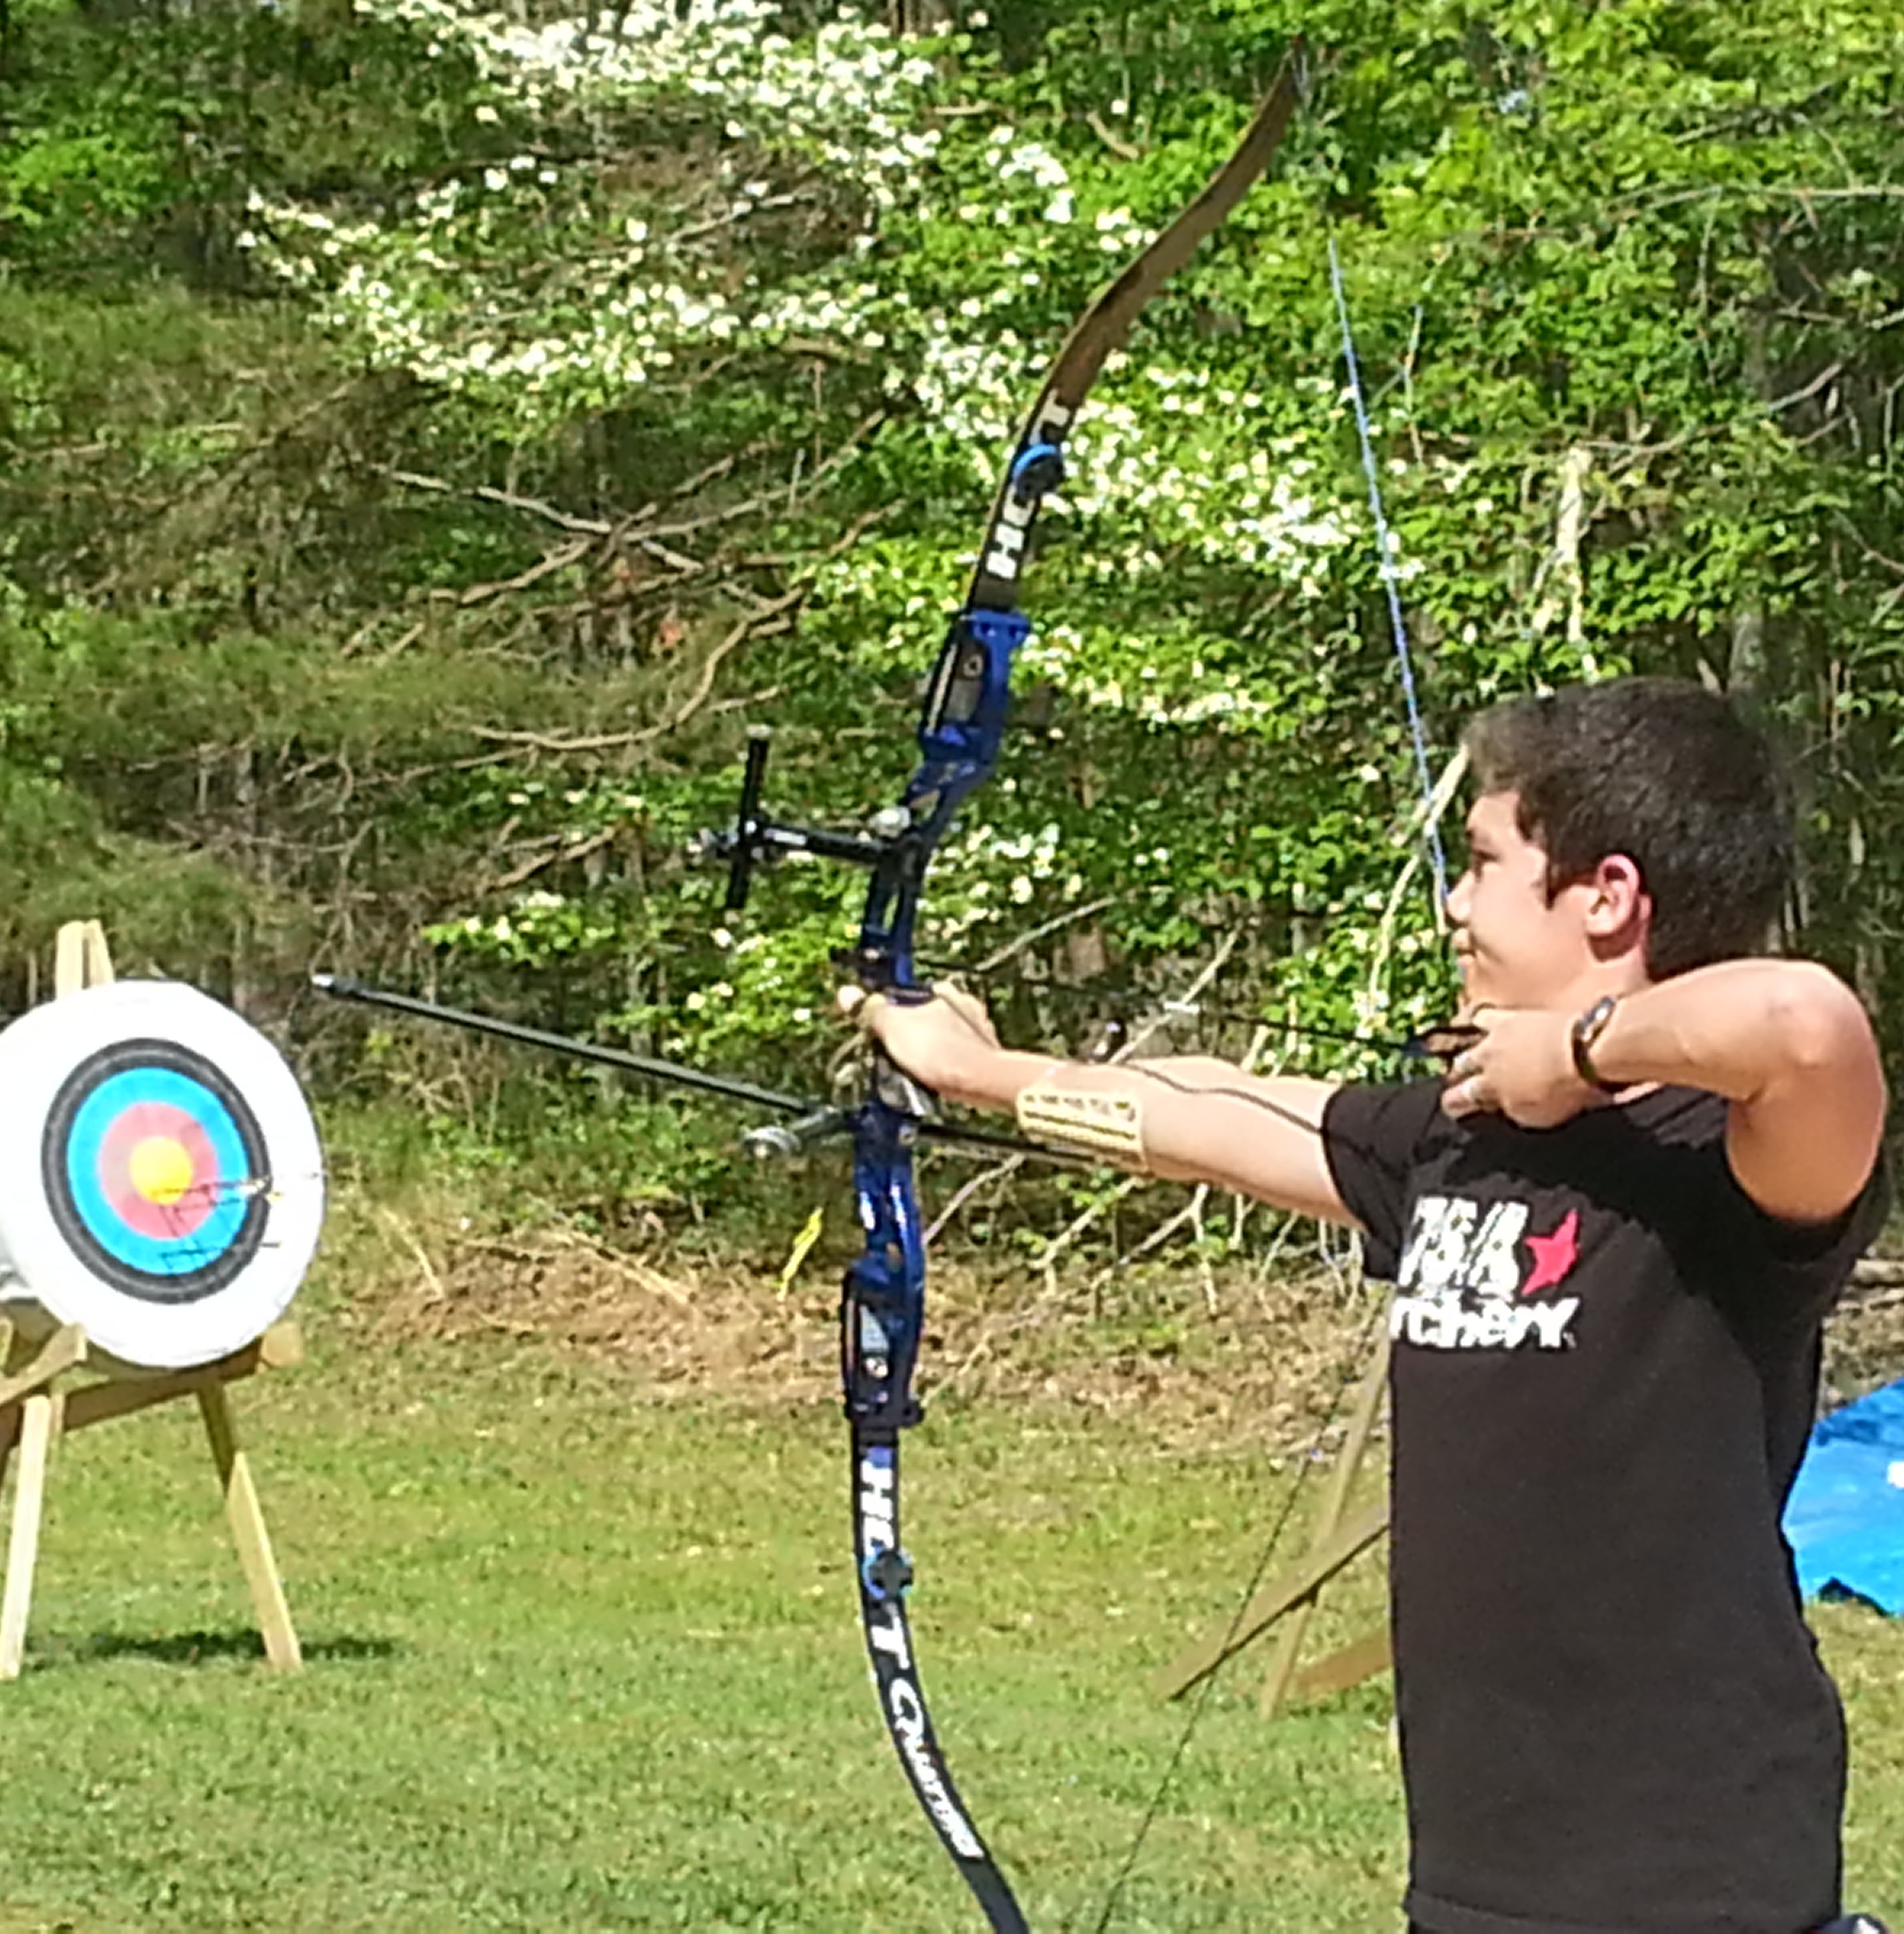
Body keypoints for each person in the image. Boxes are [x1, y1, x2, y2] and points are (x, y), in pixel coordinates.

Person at [845, 677, 1892, 1934]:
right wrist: (977, 1071)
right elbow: (1197, 1113)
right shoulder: (1451, 1134)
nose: (1453, 903)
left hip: (1696, 1879)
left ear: (1606, 895)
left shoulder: (1725, 1159)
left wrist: (1570, 1053)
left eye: (1482, 863)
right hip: (1481, 1876)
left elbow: (1803, 1021)